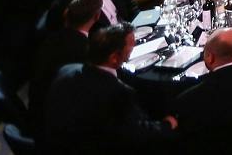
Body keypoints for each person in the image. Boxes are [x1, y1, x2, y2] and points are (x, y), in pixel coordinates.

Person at [41, 23, 177, 153]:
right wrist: (167, 125)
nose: (133, 46)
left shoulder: (66, 70)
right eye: (130, 45)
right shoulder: (116, 93)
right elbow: (138, 133)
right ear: (114, 58)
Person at [32, 0, 104, 127]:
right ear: (96, 16)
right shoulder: (86, 52)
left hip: (39, 109)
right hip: (63, 121)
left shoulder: (49, 40)